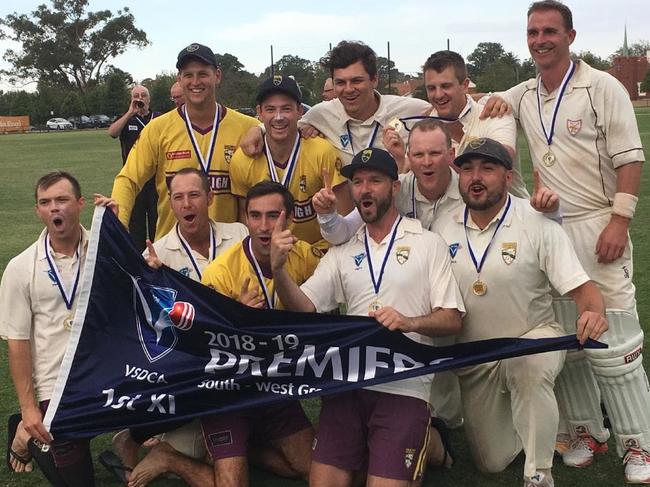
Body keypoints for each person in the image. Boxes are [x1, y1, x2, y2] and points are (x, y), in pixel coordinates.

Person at [484, 1, 648, 481]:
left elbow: (630, 159)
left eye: (550, 31)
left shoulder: (602, 86)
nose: (540, 40)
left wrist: (619, 222)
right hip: (550, 228)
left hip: (598, 222)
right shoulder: (525, 92)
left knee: (615, 342)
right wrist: (495, 100)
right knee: (567, 340)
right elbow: (487, 105)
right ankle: (585, 432)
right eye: (532, 32)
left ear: (570, 36)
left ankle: (640, 444)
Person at [271, 147, 464, 486]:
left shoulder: (428, 243)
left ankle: (431, 439)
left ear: (395, 187)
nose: (364, 189)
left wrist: (410, 322)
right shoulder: (343, 249)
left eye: (375, 180)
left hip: (405, 384)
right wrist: (278, 270)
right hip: (350, 382)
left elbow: (452, 319)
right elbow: (305, 307)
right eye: (357, 182)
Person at [437, 138, 607, 487]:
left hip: (533, 337)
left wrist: (593, 313)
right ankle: (540, 423)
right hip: (476, 356)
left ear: (508, 175)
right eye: (467, 168)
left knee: (528, 367)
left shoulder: (536, 221)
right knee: (492, 463)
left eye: (487, 168)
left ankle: (539, 474)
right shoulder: (443, 226)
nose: (475, 177)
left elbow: (584, 289)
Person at [95, 168, 249, 486]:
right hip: (191, 372)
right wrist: (149, 279)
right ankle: (147, 437)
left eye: (194, 195)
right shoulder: (158, 254)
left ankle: (148, 440)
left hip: (239, 363)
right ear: (170, 203)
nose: (186, 204)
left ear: (209, 198)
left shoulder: (239, 235)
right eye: (177, 197)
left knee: (238, 449)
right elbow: (128, 308)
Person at [197, 181, 318, 486]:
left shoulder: (304, 257)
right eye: (255, 216)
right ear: (246, 218)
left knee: (312, 469)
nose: (263, 226)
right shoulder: (221, 271)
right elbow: (202, 344)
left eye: (273, 215)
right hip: (229, 391)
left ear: (289, 218)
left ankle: (246, 449)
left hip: (275, 389)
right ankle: (172, 459)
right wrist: (234, 317)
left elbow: (322, 316)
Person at [0, 172, 95, 486]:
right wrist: (28, 408)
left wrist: (116, 231)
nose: (55, 208)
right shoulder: (20, 268)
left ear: (80, 204)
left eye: (62, 200)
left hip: (105, 375)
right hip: (56, 387)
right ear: (38, 211)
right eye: (45, 202)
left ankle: (130, 443)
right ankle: (26, 433)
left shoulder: (103, 253)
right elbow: (17, 343)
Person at [111, 42, 259, 242]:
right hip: (174, 254)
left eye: (203, 74)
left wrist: (265, 128)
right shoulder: (158, 128)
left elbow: (285, 129)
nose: (195, 81)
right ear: (179, 79)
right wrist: (119, 221)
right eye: (188, 75)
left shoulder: (247, 127)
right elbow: (128, 179)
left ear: (217, 76)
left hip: (229, 253)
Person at [240, 41, 431, 168]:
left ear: (374, 80)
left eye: (356, 81)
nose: (348, 89)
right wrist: (257, 130)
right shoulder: (321, 113)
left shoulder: (412, 110)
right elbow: (283, 121)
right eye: (340, 82)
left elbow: (448, 116)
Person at [382, 50, 529, 198]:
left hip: (511, 214)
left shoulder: (495, 114)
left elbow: (498, 162)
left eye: (446, 86)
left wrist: (434, 161)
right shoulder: (422, 129)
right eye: (431, 88)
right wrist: (401, 160)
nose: (438, 95)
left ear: (465, 85)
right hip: (453, 218)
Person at [230, 75, 352, 250]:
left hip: (318, 251)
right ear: (260, 112)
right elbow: (244, 217)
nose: (278, 117)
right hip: (268, 253)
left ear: (300, 111)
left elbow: (345, 215)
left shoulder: (322, 151)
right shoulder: (243, 159)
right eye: (270, 109)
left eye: (286, 108)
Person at [107, 84, 161, 252]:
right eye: (136, 95)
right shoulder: (126, 118)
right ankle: (138, 260)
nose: (139, 98)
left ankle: (158, 257)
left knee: (157, 222)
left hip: (156, 181)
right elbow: (112, 133)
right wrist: (130, 112)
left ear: (149, 98)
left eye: (143, 95)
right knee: (136, 226)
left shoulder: (158, 118)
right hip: (135, 181)